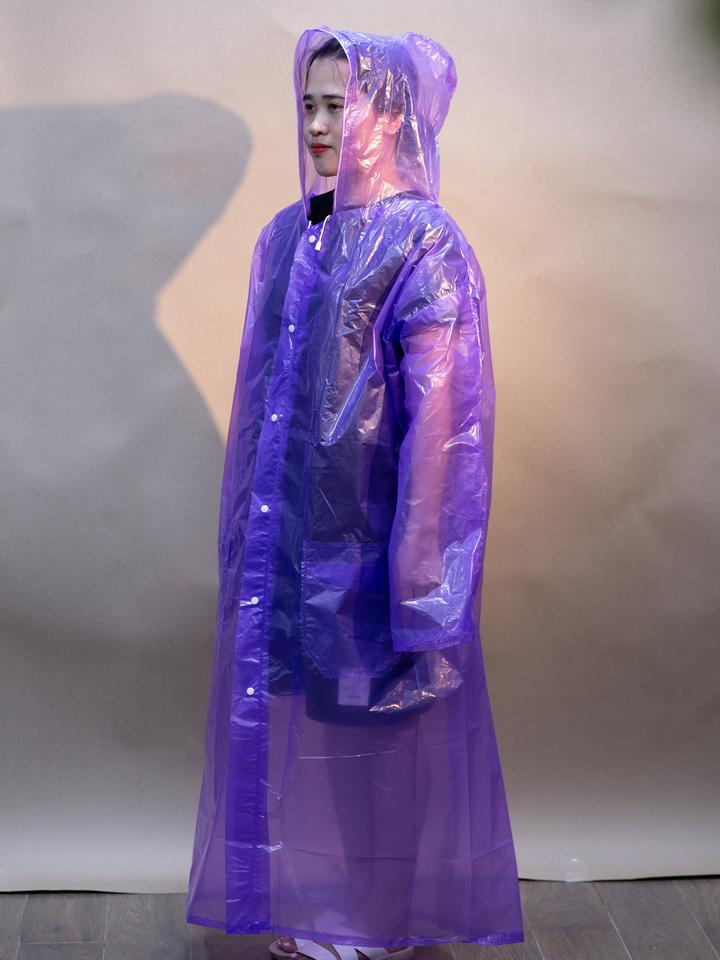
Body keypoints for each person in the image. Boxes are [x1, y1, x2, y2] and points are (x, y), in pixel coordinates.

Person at [185, 26, 524, 960]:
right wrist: (247, 546)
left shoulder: (426, 244)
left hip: (376, 548)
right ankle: (320, 905)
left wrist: (422, 575)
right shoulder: (287, 236)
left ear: (393, 112)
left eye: (341, 104)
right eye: (309, 104)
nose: (319, 124)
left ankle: (374, 923)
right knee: (308, 734)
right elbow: (262, 406)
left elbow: (446, 426)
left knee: (376, 740)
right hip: (287, 543)